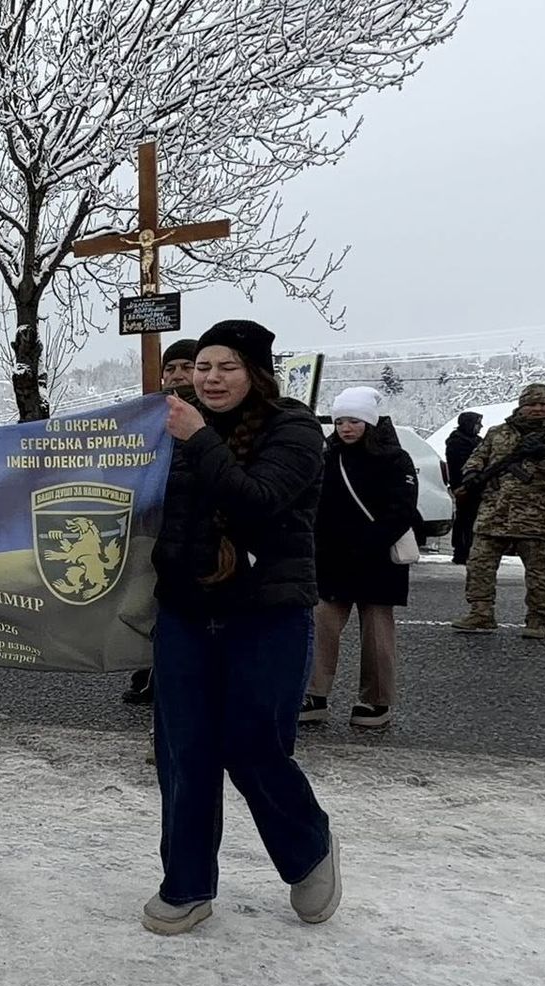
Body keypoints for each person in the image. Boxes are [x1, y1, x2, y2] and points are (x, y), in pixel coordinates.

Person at [145, 318, 338, 936]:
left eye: (226, 366)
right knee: (184, 751)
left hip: (267, 615)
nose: (211, 378)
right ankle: (187, 884)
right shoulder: (168, 434)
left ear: (255, 372)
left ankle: (308, 848)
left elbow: (259, 497)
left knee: (253, 746)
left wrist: (199, 436)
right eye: (202, 367)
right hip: (185, 615)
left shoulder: (296, 430)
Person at [301, 387, 418, 731]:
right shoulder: (327, 456)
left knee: (378, 633)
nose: (346, 428)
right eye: (340, 421)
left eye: (353, 420)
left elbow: (402, 509)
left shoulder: (395, 459)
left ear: (370, 421)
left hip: (377, 559)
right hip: (331, 558)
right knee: (321, 626)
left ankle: (376, 700)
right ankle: (314, 695)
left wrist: (368, 543)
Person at [452, 383, 545, 640]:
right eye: (531, 404)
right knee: (479, 565)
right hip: (494, 512)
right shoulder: (499, 432)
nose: (537, 409)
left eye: (543, 404)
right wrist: (471, 474)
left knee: (539, 573)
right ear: (521, 406)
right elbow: (478, 456)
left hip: (539, 517)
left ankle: (537, 620)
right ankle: (480, 613)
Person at [124, 336, 203, 710]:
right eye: (169, 368)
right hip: (153, 530)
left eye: (186, 367)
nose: (177, 375)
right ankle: (147, 672)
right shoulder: (150, 417)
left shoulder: (209, 419)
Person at [444, 411, 484, 564]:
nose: (480, 427)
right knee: (465, 519)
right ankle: (462, 551)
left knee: (472, 519)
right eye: (477, 424)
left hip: (477, 486)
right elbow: (458, 466)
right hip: (464, 487)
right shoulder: (457, 442)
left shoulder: (476, 441)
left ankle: (470, 549)